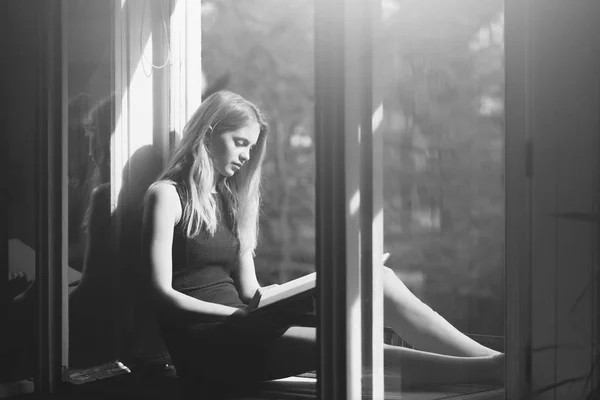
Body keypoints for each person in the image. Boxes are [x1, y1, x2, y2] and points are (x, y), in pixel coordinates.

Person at [141, 90, 504, 391]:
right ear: (207, 133)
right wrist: (237, 314)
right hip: (205, 345)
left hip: (244, 324)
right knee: (347, 345)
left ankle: (491, 360)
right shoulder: (166, 196)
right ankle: (493, 372)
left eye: (251, 148)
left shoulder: (230, 202)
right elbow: (161, 296)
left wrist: (290, 293)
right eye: (239, 143)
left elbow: (251, 291)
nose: (246, 155)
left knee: (377, 279)